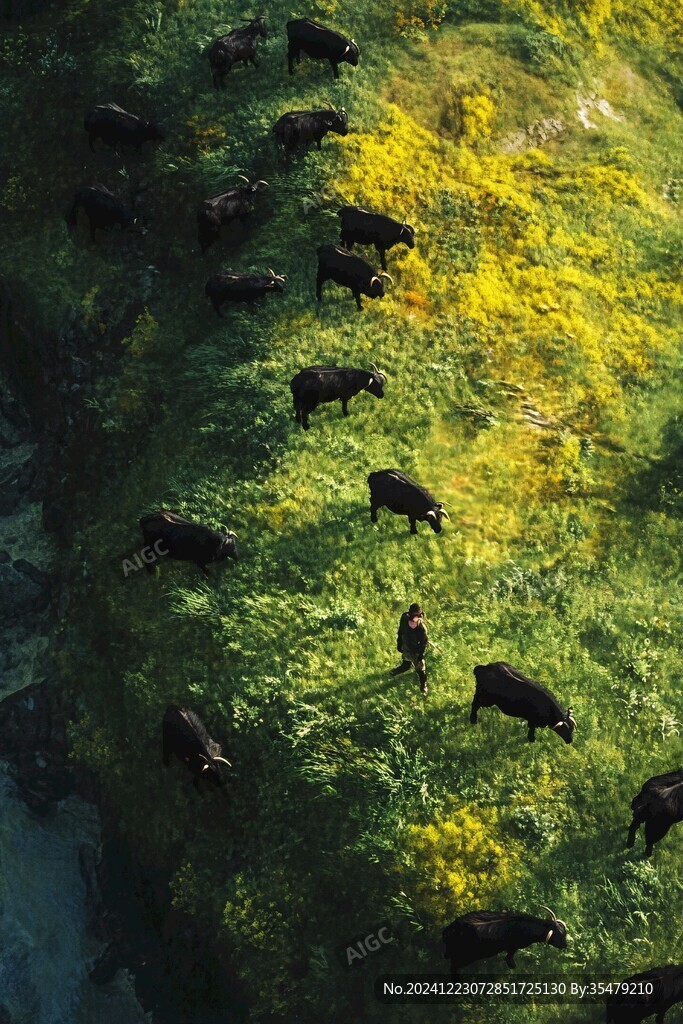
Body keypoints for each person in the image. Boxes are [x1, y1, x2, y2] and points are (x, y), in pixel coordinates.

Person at [390, 603, 429, 695]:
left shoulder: (421, 628)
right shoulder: (404, 619)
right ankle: (397, 671)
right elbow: (400, 632)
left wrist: (420, 655)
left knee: (420, 670)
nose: (416, 619)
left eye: (418, 617)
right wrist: (399, 643)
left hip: (417, 649)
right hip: (407, 645)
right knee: (406, 664)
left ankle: (423, 685)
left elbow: (423, 643)